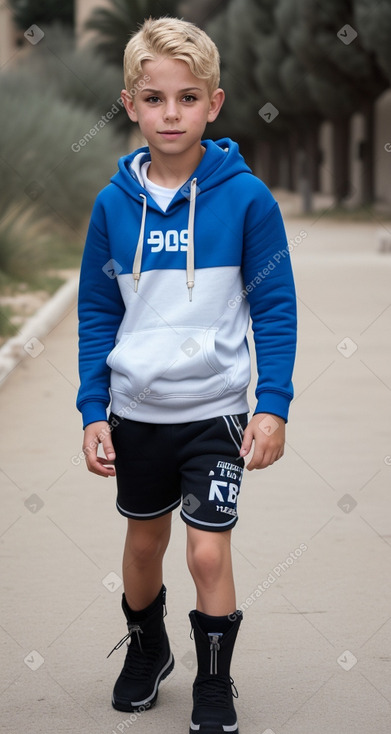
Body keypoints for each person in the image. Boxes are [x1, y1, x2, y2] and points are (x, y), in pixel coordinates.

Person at [77, 16, 297, 734]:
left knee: (207, 551)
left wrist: (271, 405)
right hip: (137, 413)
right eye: (154, 98)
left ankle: (213, 682)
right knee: (144, 546)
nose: (170, 113)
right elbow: (95, 316)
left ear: (214, 103)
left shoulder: (247, 200)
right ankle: (148, 649)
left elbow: (274, 309)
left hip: (214, 414)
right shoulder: (113, 207)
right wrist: (93, 410)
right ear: (131, 103)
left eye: (186, 98)